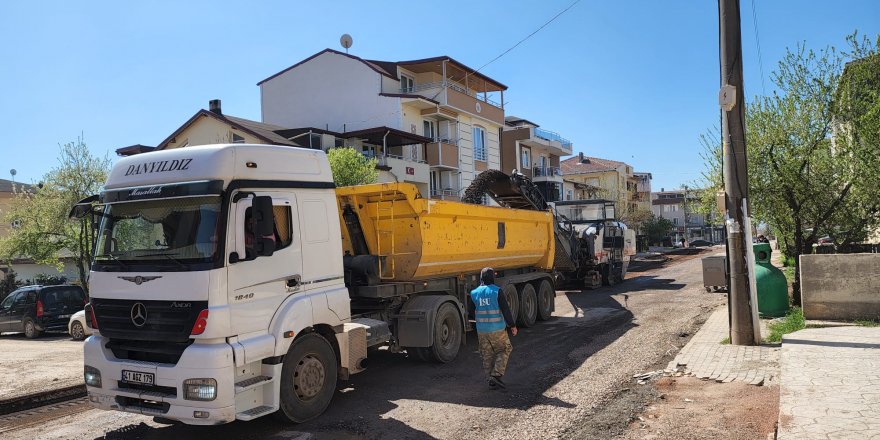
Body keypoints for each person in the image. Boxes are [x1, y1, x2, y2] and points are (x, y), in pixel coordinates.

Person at [469, 267, 517, 389]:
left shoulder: (474, 293)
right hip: (497, 329)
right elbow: (506, 310)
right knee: (505, 349)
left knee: (487, 355)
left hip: (481, 331)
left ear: (481, 278)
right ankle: (496, 375)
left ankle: (491, 380)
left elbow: (471, 313)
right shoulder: (497, 291)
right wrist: (512, 325)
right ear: (492, 277)